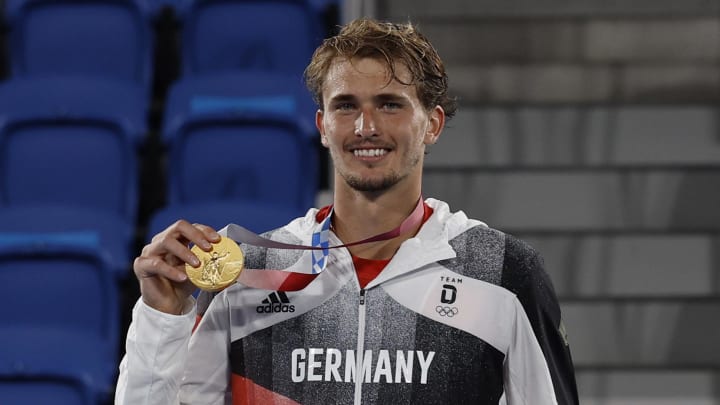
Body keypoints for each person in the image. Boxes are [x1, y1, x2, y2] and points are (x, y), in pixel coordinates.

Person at [115, 18, 579, 405]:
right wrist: (163, 318)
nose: (366, 126)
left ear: (432, 124)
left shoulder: (501, 272)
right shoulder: (252, 273)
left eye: (390, 104)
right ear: (322, 125)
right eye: (345, 106)